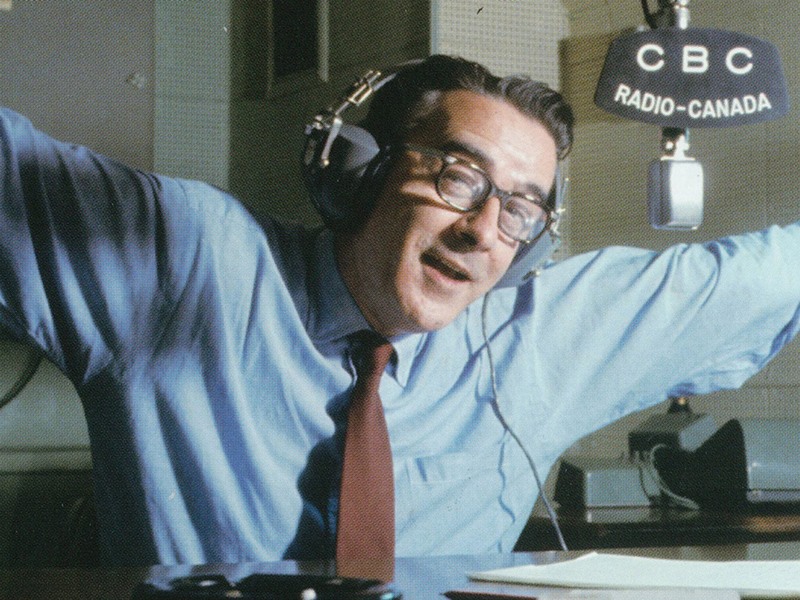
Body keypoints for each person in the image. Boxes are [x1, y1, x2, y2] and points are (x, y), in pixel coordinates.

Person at [0, 54, 799, 566]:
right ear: (358, 169)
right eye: (458, 177)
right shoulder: (190, 262)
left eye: (521, 211)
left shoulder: (540, 332)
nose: (484, 230)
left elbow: (765, 275)